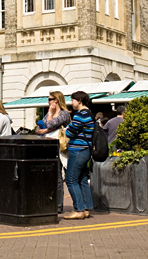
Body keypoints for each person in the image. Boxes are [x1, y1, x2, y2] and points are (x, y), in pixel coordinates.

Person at [35, 90, 71, 213]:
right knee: (48, 176)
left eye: (50, 99)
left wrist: (50, 113)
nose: (48, 101)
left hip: (59, 147)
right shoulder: (48, 114)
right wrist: (46, 130)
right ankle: (49, 202)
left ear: (56, 100)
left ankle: (58, 206)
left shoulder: (64, 113)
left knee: (58, 177)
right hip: (47, 146)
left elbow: (50, 123)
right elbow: (37, 130)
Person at [63, 90, 95, 220]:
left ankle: (78, 209)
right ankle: (86, 208)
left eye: (72, 100)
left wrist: (67, 129)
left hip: (78, 150)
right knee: (82, 180)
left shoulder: (80, 115)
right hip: (86, 150)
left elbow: (69, 133)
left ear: (79, 101)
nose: (72, 103)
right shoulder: (90, 113)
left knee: (71, 179)